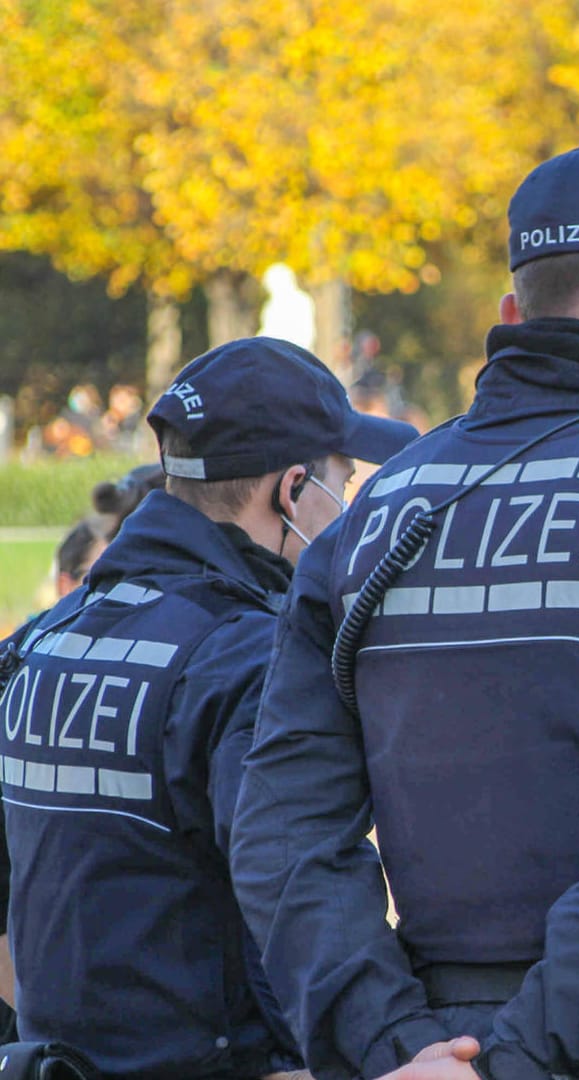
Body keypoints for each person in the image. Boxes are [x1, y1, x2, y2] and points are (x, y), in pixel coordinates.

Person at [229, 145, 579, 1080]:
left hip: (429, 1036)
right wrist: (524, 1052)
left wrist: (395, 1044)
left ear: (511, 313)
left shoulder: (384, 504)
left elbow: (282, 830)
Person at [0, 337, 416, 1078]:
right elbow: (293, 883)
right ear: (292, 492)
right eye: (343, 484)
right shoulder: (249, 657)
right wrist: (388, 1055)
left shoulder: (40, 641)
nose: (349, 513)